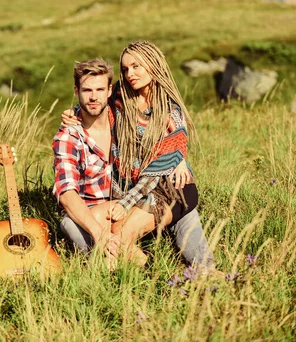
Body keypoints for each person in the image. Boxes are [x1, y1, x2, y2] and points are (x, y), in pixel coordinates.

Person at [57, 43, 215, 269]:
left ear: (153, 64)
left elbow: (163, 162)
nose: (130, 74)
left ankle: (161, 273)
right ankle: (156, 266)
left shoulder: (169, 111)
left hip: (169, 187)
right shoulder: (122, 97)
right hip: (135, 187)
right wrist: (73, 113)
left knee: (127, 231)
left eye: (136, 66)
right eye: (126, 68)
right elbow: (95, 99)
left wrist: (127, 201)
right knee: (94, 224)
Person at [53, 58, 171, 267]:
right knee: (77, 231)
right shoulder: (68, 137)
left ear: (109, 91)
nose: (93, 97)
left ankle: (200, 265)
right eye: (87, 90)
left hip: (126, 203)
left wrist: (179, 159)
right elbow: (66, 193)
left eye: (99, 89)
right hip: (89, 214)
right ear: (76, 91)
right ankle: (151, 271)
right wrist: (99, 233)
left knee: (179, 203)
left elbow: (166, 119)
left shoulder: (123, 121)